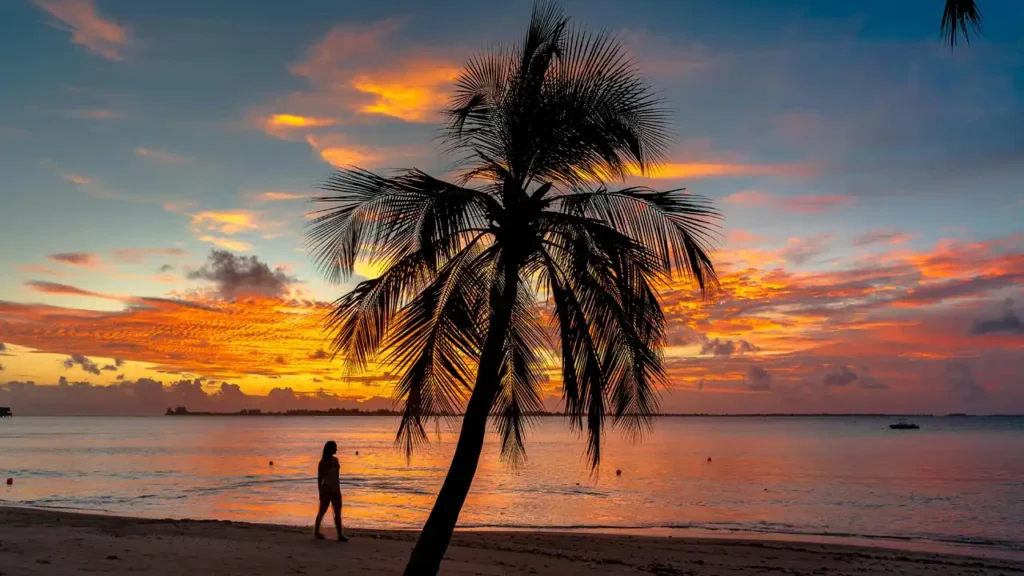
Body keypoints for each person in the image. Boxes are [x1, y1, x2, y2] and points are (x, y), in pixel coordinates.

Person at [314, 440, 348, 542]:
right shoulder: (322, 462)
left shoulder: (336, 460)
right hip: (326, 489)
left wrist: (338, 489)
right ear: (330, 449)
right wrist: (320, 492)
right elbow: (320, 478)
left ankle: (340, 535)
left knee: (338, 512)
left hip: (336, 489)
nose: (336, 449)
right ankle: (316, 532)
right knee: (322, 511)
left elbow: (337, 477)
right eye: (335, 447)